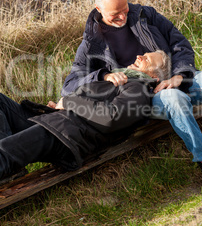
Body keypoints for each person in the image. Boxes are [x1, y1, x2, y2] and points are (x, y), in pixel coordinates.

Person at [62, 0, 202, 187]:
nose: (123, 17)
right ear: (99, 8)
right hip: (145, 97)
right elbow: (70, 84)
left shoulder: (145, 14)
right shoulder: (90, 43)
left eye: (125, 9)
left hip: (178, 77)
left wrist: (180, 75)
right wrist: (103, 76)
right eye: (115, 14)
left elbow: (180, 44)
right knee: (174, 98)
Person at [0, 51, 168, 185]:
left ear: (155, 77)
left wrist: (68, 102)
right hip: (58, 121)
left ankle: (7, 162)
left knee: (4, 152)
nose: (138, 56)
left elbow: (111, 117)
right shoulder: (121, 80)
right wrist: (60, 107)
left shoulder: (139, 89)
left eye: (146, 59)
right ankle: (11, 168)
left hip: (68, 135)